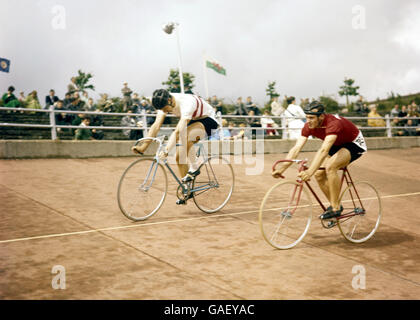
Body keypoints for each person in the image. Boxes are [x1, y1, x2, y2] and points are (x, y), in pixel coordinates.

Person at [272, 101, 367, 220]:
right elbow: (296, 149)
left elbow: (324, 150)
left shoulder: (333, 123)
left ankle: (335, 208)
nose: (308, 121)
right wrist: (282, 169)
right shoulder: (308, 126)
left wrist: (309, 172)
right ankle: (336, 204)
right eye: (307, 117)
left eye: (311, 118)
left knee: (331, 167)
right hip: (337, 143)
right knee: (318, 174)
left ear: (321, 116)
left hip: (353, 143)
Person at [131, 89, 219, 204]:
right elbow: (156, 125)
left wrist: (166, 150)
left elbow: (178, 132)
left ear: (169, 100)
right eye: (161, 110)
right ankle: (188, 190)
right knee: (179, 156)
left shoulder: (187, 103)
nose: (164, 111)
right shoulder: (164, 103)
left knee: (186, 136)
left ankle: (194, 168)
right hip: (194, 119)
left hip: (209, 119)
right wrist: (144, 146)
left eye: (164, 109)